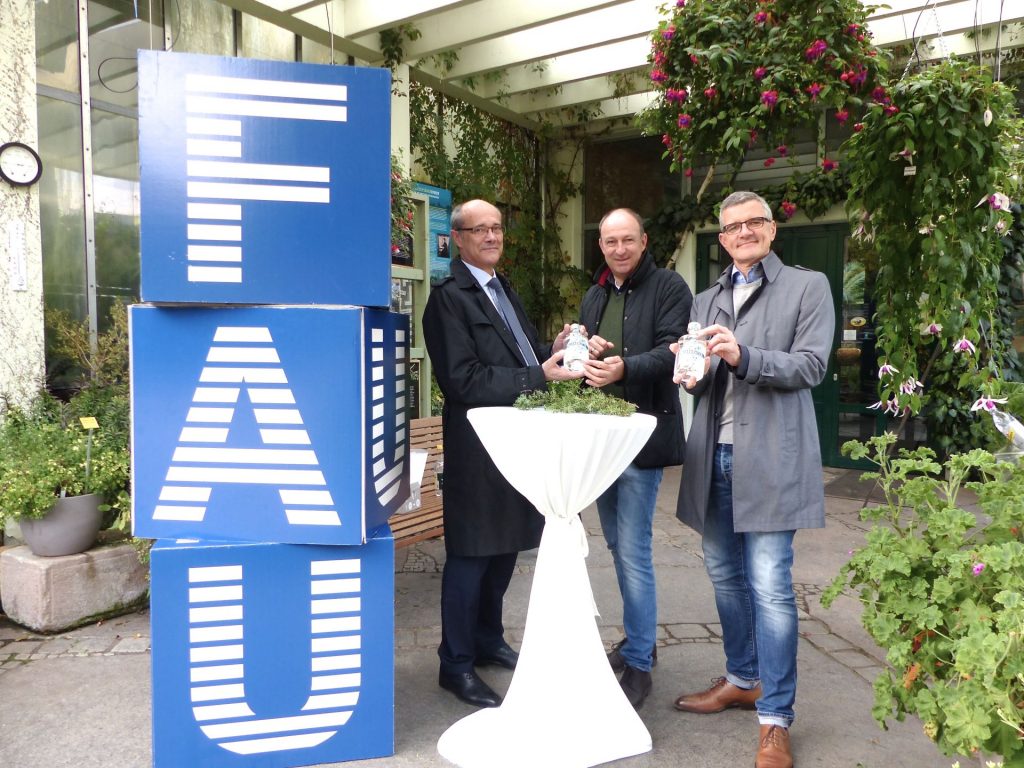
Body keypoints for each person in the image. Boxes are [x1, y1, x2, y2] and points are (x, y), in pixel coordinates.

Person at [672, 191, 834, 768]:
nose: (743, 232)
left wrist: (744, 356)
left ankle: (776, 718)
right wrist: (692, 370)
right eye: (732, 227)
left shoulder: (806, 287)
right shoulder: (707, 297)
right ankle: (743, 678)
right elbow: (703, 378)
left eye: (753, 223)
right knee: (722, 573)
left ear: (771, 229)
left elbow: (812, 365)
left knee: (769, 585)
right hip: (712, 454)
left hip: (770, 459)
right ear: (721, 239)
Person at [422, 199, 583, 709]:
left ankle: (488, 640)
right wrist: (539, 375)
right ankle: (456, 663)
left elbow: (520, 358)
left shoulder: (501, 288)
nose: (492, 236)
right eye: (480, 229)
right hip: (477, 448)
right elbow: (462, 379)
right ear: (458, 239)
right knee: (472, 555)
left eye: (497, 228)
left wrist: (550, 350)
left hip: (517, 446)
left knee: (505, 551)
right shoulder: (449, 299)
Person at [579, 208, 692, 709]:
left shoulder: (668, 286)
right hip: (599, 442)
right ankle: (634, 642)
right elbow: (585, 363)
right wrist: (587, 349)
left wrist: (623, 367)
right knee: (616, 547)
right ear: (600, 246)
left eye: (628, 240)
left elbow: (674, 350)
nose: (619, 249)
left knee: (634, 551)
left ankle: (641, 661)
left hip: (640, 442)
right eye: (610, 242)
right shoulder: (595, 293)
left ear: (644, 242)